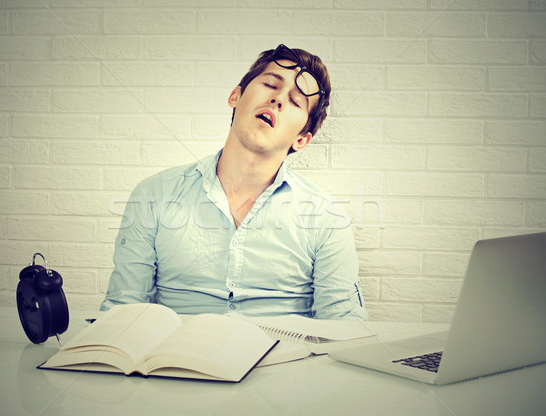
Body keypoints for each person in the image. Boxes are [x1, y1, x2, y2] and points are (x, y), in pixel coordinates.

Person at [101, 44, 368, 320]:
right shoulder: (154, 195)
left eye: (296, 101)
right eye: (270, 84)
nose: (277, 99)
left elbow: (343, 327)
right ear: (235, 96)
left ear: (301, 139)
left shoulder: (326, 217)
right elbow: (122, 312)